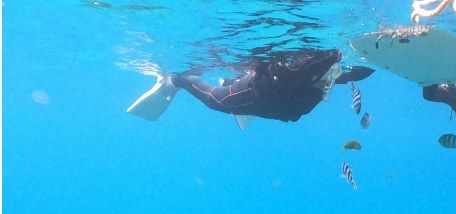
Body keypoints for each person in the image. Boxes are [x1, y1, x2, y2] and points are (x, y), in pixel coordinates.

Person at [127, 49, 373, 126]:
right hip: (259, 94)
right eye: (329, 76)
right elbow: (302, 71)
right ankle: (175, 80)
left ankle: (230, 82)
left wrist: (373, 60)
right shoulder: (305, 70)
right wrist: (334, 56)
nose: (331, 81)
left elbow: (356, 73)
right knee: (216, 100)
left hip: (272, 103)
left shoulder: (325, 74)